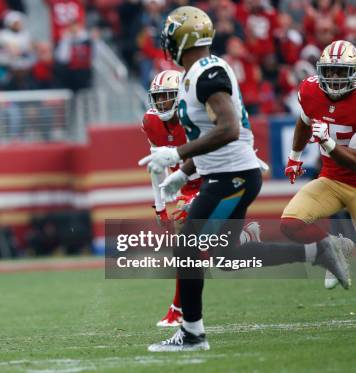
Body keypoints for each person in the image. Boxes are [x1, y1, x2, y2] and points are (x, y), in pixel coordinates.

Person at [139, 6, 352, 352]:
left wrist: (177, 155)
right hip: (224, 173)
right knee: (228, 254)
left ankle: (192, 333)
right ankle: (318, 250)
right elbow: (216, 134)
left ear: (184, 38)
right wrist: (184, 172)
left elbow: (228, 128)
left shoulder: (207, 74)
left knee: (187, 246)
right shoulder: (199, 73)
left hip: (231, 177)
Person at [141, 69, 261, 328]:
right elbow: (155, 166)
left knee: (185, 235)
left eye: (167, 97)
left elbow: (224, 137)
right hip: (184, 185)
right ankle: (244, 237)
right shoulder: (150, 121)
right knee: (222, 259)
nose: (162, 104)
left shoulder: (194, 114)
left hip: (211, 176)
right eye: (158, 98)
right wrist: (160, 205)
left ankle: (179, 309)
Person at [281, 40, 356, 290]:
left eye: (341, 72)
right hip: (332, 181)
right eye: (329, 71)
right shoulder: (311, 90)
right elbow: (304, 121)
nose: (334, 78)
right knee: (290, 224)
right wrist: (294, 156)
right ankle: (334, 247)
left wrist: (327, 142)